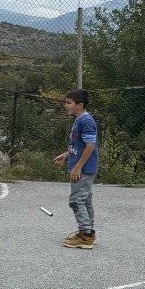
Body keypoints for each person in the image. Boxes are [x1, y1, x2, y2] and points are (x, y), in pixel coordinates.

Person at [55, 89, 98, 249]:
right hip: (81, 166)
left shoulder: (86, 121)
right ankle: (88, 232)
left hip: (83, 168)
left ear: (80, 105)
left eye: (69, 103)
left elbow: (90, 146)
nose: (65, 105)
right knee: (85, 200)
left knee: (76, 200)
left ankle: (85, 236)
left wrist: (78, 167)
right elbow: (80, 145)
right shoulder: (79, 120)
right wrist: (67, 155)